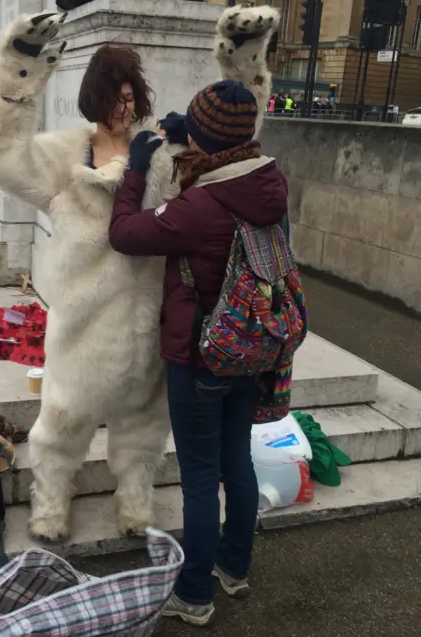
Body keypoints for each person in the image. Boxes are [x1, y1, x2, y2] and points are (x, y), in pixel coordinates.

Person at [0, 5, 279, 544]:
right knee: (63, 423)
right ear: (93, 99)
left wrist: (244, 61)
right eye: (115, 97)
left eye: (131, 97)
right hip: (86, 328)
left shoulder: (166, 154)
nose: (123, 107)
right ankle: (49, 506)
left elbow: (233, 136)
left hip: (156, 323)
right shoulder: (63, 158)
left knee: (144, 430)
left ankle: (136, 505)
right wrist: (19, 71)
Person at [108, 81, 289, 626]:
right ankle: (234, 568)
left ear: (205, 137)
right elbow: (219, 167)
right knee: (236, 456)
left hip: (204, 354)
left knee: (200, 472)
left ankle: (193, 594)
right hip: (253, 348)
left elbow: (125, 233)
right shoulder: (267, 181)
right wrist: (194, 143)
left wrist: (134, 172)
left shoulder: (201, 206)